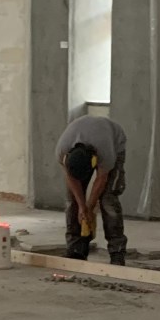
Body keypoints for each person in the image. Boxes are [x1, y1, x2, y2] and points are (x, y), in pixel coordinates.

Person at [57, 112, 127, 265]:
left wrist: (89, 207)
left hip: (114, 141)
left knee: (108, 199)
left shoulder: (106, 153)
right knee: (72, 201)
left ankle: (117, 252)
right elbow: (71, 179)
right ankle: (76, 249)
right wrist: (81, 207)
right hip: (85, 141)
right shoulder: (62, 151)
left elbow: (101, 179)